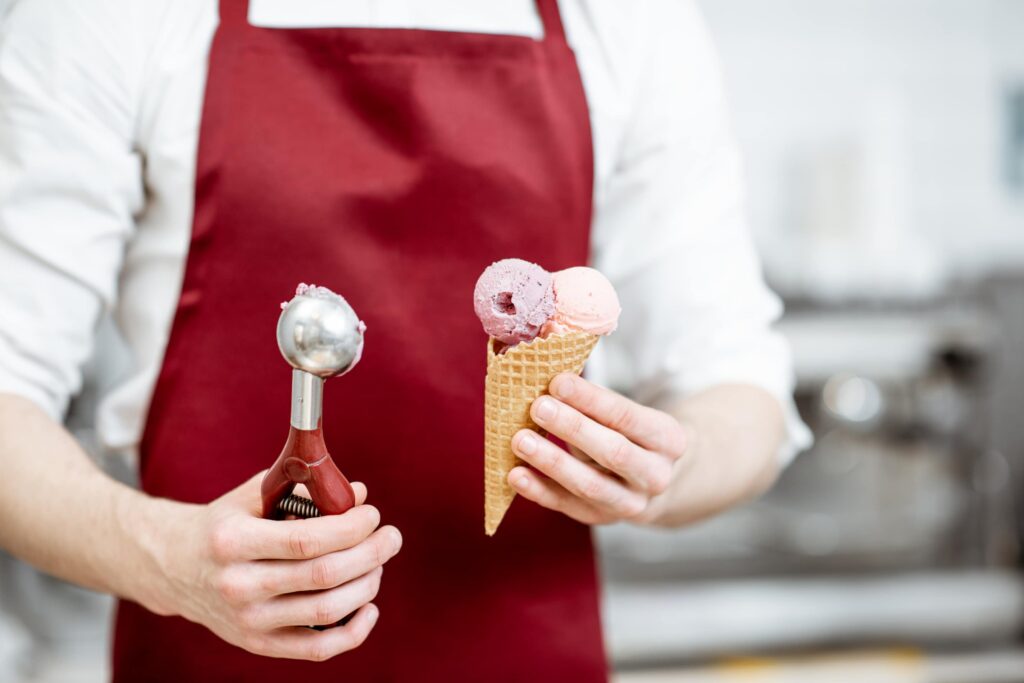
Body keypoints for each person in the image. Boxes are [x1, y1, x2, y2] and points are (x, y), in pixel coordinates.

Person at [0, 0, 810, 680]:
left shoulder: (627, 21)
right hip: (208, 653)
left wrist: (670, 468)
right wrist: (166, 557)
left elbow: (738, 384)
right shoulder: (110, 15)